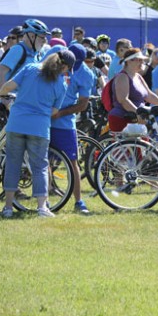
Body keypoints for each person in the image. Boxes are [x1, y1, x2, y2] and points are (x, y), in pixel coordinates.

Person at [0, 50, 74, 218]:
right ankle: (42, 208)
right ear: (65, 68)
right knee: (40, 167)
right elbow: (54, 111)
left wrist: (0, 93)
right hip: (39, 128)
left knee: (12, 164)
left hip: (16, 123)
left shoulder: (30, 68)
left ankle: (8, 207)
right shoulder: (61, 84)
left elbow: (9, 86)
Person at [49, 44, 95, 214]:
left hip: (65, 123)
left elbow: (83, 104)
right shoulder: (54, 61)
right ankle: (44, 199)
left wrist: (60, 113)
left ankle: (79, 201)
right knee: (42, 160)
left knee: (72, 161)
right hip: (44, 118)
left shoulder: (86, 74)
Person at [107, 48, 158, 133]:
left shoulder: (138, 76)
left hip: (137, 120)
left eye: (143, 60)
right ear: (129, 61)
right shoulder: (122, 77)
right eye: (139, 60)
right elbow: (123, 100)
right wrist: (138, 113)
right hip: (122, 119)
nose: (143, 62)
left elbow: (149, 95)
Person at [0, 19, 49, 90]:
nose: (44, 41)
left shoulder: (39, 53)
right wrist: (3, 94)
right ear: (32, 36)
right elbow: (0, 72)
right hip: (13, 96)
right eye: (42, 37)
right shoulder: (18, 49)